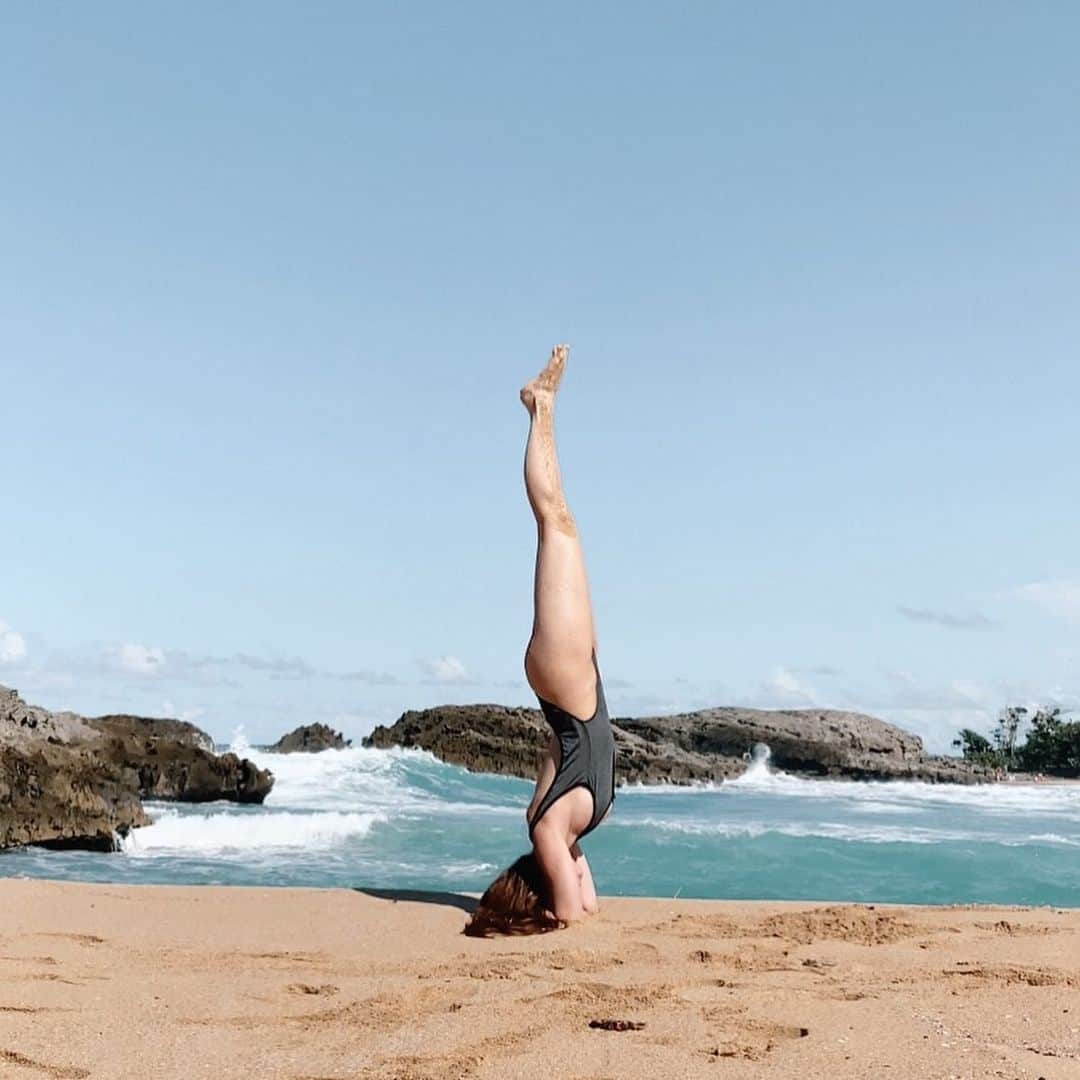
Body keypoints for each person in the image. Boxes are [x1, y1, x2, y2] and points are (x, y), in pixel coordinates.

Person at [465, 345, 617, 937]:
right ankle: (542, 409)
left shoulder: (547, 829)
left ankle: (540, 409)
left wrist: (554, 893)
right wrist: (562, 883)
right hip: (581, 685)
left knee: (554, 523)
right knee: (565, 525)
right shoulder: (563, 837)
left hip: (566, 683)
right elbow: (587, 908)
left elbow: (572, 915)